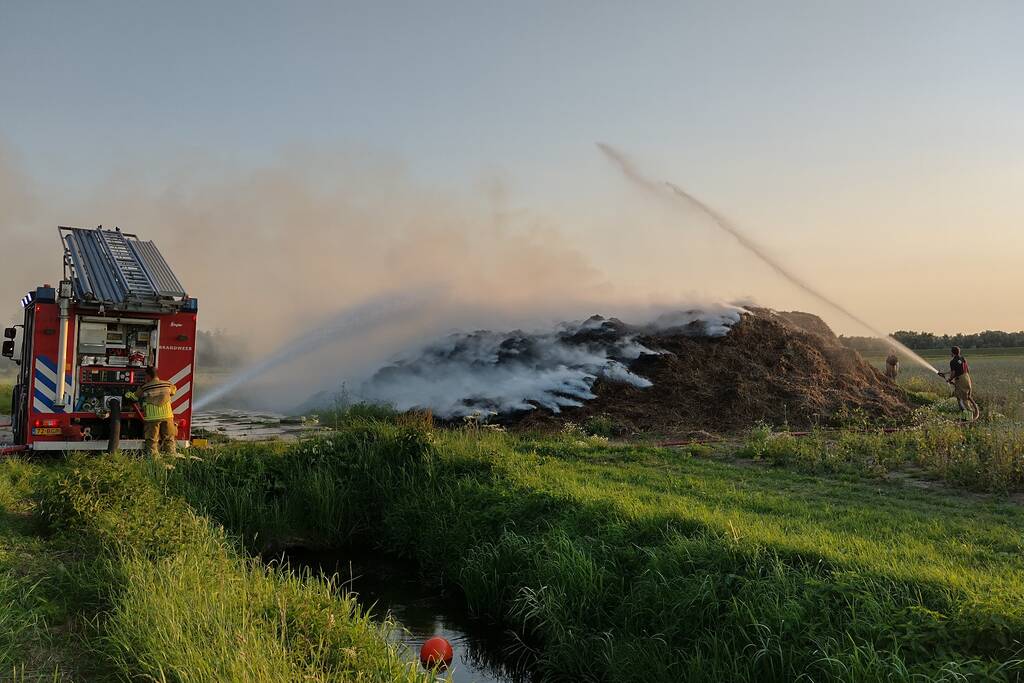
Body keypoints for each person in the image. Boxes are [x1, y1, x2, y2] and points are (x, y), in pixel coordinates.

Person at [130, 366, 178, 455]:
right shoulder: (167, 384)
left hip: (152, 418)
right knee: (169, 439)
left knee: (152, 441)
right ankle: (171, 459)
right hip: (167, 416)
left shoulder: (144, 388)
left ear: (148, 376)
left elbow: (134, 397)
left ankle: (154, 461)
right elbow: (173, 391)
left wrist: (128, 394)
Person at [945, 346, 980, 421]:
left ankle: (968, 420)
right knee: (965, 398)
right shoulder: (962, 359)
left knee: (962, 400)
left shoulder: (952, 361)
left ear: (952, 352)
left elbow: (953, 373)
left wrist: (950, 379)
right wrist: (945, 373)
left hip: (961, 380)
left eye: (951, 352)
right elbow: (964, 369)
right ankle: (965, 418)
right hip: (967, 378)